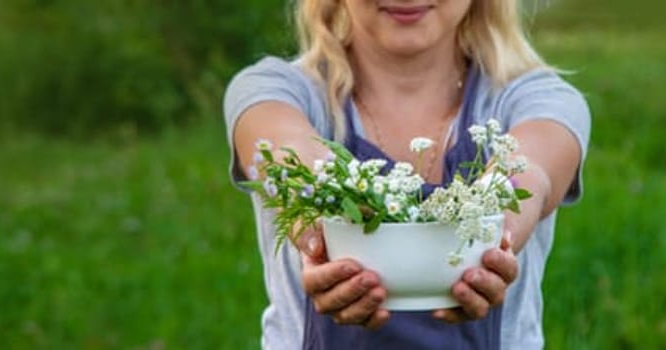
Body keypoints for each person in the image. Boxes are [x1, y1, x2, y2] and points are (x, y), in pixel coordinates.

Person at [223, 0, 589, 348]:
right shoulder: (275, 90)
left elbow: (531, 170)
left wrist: (495, 242)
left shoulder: (537, 99)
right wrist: (317, 233)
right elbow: (285, 153)